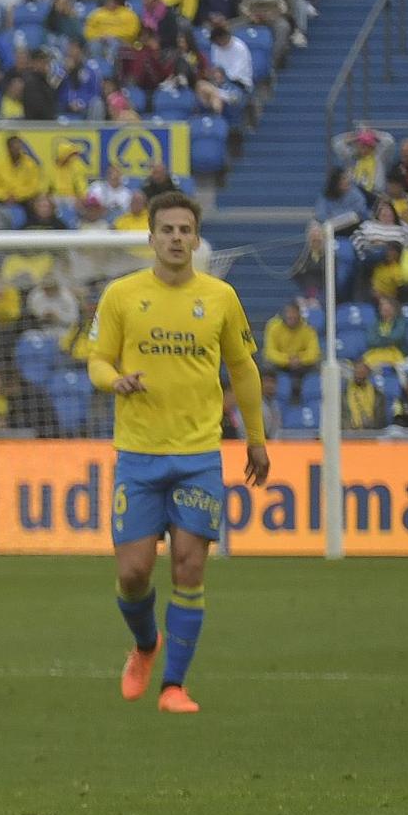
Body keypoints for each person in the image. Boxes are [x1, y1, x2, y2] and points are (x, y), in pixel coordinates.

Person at [87, 193, 268, 714]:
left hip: (197, 456)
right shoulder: (121, 295)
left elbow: (244, 370)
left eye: (185, 230)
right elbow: (96, 359)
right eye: (166, 230)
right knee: (133, 574)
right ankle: (146, 646)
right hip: (139, 456)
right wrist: (113, 380)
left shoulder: (220, 297)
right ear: (151, 238)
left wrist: (255, 438)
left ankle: (174, 687)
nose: (176, 238)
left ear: (196, 238)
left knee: (189, 568)